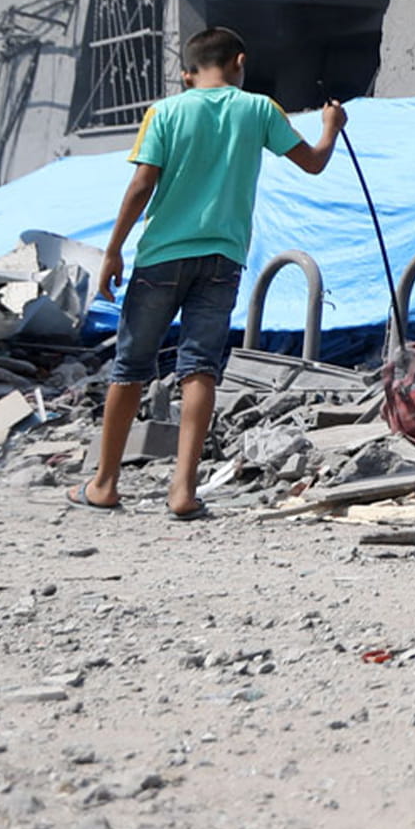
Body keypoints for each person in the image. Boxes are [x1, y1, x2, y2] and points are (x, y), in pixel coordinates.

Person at [76, 28, 344, 519]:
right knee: (199, 368)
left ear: (185, 72)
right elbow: (313, 163)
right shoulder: (260, 109)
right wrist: (331, 125)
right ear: (240, 61)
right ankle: (183, 491)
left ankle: (105, 483)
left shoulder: (164, 112)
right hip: (223, 258)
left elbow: (141, 185)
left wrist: (113, 250)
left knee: (130, 368)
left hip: (161, 256)